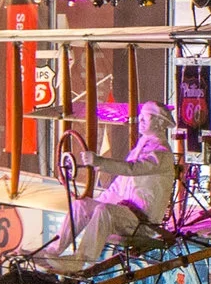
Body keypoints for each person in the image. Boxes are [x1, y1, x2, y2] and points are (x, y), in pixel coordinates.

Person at [50, 103, 178, 272]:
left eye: (145, 117)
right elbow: (118, 187)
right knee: (81, 205)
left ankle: (80, 260)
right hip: (125, 214)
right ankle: (51, 251)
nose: (139, 120)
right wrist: (91, 207)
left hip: (142, 223)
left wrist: (100, 162)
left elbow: (132, 169)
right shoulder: (139, 150)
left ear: (159, 123)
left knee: (105, 211)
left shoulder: (161, 153)